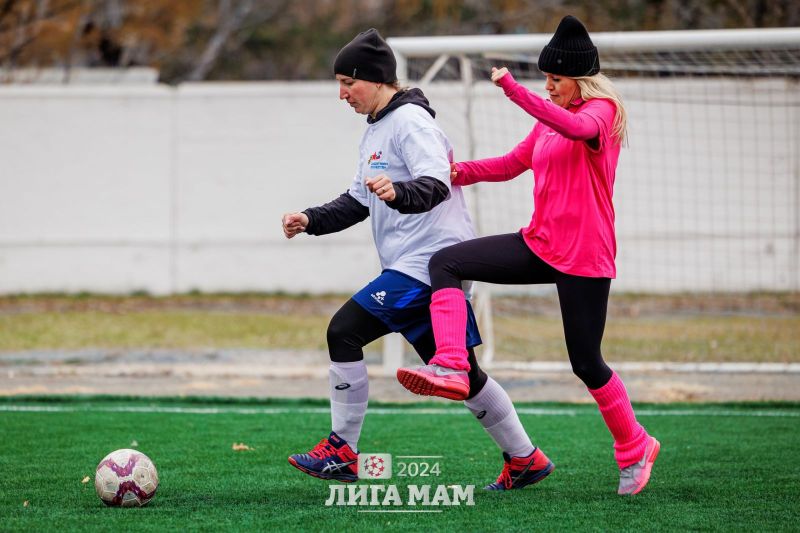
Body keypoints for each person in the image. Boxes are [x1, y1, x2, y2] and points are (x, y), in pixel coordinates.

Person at [396, 15, 660, 495]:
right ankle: (452, 363)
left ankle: (635, 446)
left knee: (587, 363)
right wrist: (455, 172)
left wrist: (514, 91)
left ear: (579, 79)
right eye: (545, 79)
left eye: (556, 79)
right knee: (446, 263)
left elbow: (575, 126)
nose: (549, 86)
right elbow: (510, 164)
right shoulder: (547, 124)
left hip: (584, 256)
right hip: (540, 243)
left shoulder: (600, 113)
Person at [283, 28, 554, 490]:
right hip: (416, 267)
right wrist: (310, 219)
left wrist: (399, 192)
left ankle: (342, 452)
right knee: (467, 376)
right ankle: (526, 458)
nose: (342, 94)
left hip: (429, 264)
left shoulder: (411, 121)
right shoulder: (377, 129)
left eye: (348, 82)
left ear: (375, 78)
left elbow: (436, 183)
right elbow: (357, 201)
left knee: (344, 331)